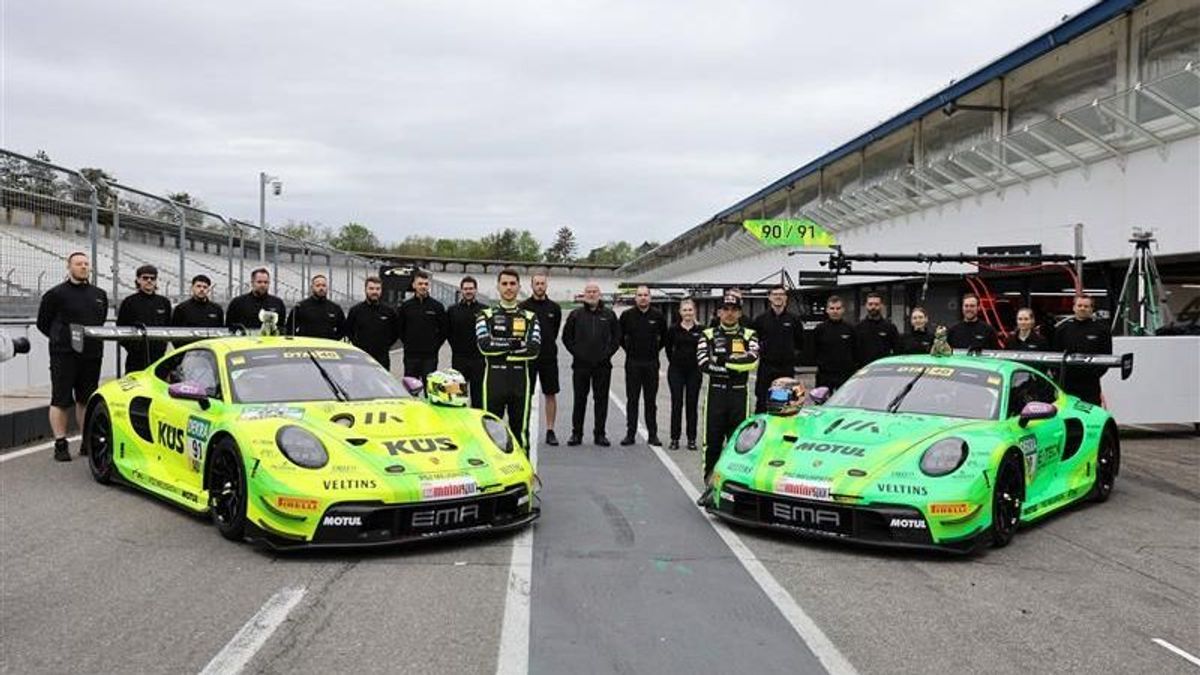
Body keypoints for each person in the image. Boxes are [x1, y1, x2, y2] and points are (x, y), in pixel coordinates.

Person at [37, 252, 108, 462]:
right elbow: (43, 323)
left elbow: (100, 320)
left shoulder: (99, 294)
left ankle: (86, 442)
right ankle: (60, 443)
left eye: (86, 264)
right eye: (79, 264)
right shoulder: (55, 294)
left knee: (86, 398)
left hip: (92, 354)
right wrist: (62, 339)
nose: (83, 267)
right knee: (60, 399)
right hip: (64, 355)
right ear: (69, 267)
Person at [476, 269, 541, 453]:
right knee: (490, 433)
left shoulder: (530, 317)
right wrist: (515, 343)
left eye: (513, 284)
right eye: (504, 284)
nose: (509, 288)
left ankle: (525, 477)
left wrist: (501, 348)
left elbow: (533, 350)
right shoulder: (485, 315)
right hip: (493, 381)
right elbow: (484, 346)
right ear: (498, 287)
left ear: (519, 287)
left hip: (520, 380)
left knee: (520, 433)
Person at [698, 294, 759, 481]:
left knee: (739, 443)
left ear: (740, 313)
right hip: (716, 394)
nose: (729, 313)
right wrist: (732, 367)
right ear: (719, 312)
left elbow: (753, 361)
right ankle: (709, 485)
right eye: (725, 309)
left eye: (734, 310)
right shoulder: (707, 334)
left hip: (740, 395)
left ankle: (735, 483)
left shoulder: (750, 334)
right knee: (712, 444)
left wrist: (724, 363)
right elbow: (703, 363)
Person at [562, 282, 621, 447]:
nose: (592, 294)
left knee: (601, 400)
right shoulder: (576, 315)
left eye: (595, 291)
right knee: (579, 399)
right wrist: (578, 353)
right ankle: (576, 434)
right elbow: (566, 338)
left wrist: (606, 354)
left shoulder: (609, 315)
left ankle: (600, 434)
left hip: (603, 366)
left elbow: (617, 338)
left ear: (600, 294)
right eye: (589, 291)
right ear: (584, 294)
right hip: (581, 365)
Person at [619, 285, 667, 446]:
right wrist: (630, 350)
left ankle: (653, 434)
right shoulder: (627, 315)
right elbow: (620, 337)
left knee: (650, 400)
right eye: (640, 295)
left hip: (651, 363)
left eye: (646, 295)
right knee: (632, 399)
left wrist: (653, 350)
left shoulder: (658, 315)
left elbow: (665, 338)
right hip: (633, 362)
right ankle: (630, 433)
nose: (643, 297)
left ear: (650, 297)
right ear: (635, 298)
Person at [520, 274, 563, 445]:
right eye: (536, 283)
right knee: (526, 394)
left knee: (550, 393)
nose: (539, 286)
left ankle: (550, 430)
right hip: (528, 357)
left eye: (542, 283)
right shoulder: (523, 307)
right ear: (531, 286)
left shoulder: (555, 308)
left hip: (548, 357)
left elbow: (554, 330)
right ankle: (524, 428)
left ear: (546, 285)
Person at [751, 285, 802, 413]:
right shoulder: (761, 320)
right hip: (766, 367)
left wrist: (791, 355)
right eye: (775, 294)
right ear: (770, 297)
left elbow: (800, 342)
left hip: (786, 368)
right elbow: (754, 341)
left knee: (786, 403)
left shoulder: (793, 320)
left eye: (781, 294)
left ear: (786, 298)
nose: (778, 297)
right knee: (762, 401)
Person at [1053, 294, 1112, 405]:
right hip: (1067, 383)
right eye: (1079, 305)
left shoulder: (1102, 330)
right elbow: (1055, 355)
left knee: (1091, 415)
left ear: (1092, 309)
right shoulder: (1062, 329)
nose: (1082, 308)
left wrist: (1094, 374)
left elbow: (1107, 357)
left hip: (1090, 384)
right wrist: (1061, 375)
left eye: (1086, 306)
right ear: (1074, 307)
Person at [116, 264, 172, 372]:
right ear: (138, 280)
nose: (149, 281)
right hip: (136, 359)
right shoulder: (129, 302)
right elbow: (120, 328)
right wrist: (134, 348)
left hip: (159, 357)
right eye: (145, 278)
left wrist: (161, 346)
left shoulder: (164, 302)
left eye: (152, 278)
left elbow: (169, 326)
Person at [665, 298, 703, 450]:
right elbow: (668, 348)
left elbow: (705, 350)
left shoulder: (701, 330)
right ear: (680, 312)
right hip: (676, 371)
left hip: (694, 371)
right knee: (676, 404)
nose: (688, 313)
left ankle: (691, 439)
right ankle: (674, 438)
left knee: (692, 405)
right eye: (685, 310)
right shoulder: (673, 329)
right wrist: (674, 361)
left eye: (690, 310)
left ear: (694, 312)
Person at [397, 270, 447, 383]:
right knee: (410, 388)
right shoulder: (406, 307)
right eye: (420, 284)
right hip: (411, 356)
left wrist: (434, 346)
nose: (423, 286)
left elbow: (444, 330)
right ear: (414, 285)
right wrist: (409, 343)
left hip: (430, 357)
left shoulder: (437, 307)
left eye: (426, 284)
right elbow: (400, 329)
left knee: (430, 389)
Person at [447, 276, 488, 408]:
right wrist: (456, 348)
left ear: (476, 290)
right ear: (461, 290)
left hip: (478, 360)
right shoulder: (452, 310)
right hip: (459, 360)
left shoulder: (485, 310)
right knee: (457, 397)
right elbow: (448, 332)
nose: (468, 291)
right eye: (466, 289)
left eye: (471, 288)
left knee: (478, 398)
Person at [345, 276, 399, 370]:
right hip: (361, 357)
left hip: (382, 358)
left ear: (381, 290)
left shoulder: (389, 312)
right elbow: (348, 330)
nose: (374, 292)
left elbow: (395, 332)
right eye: (371, 288)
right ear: (365, 290)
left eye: (377, 289)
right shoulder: (356, 311)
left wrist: (385, 345)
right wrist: (358, 344)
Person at [811, 295, 857, 389]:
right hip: (824, 376)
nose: (835, 311)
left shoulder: (850, 329)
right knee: (823, 402)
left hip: (845, 375)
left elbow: (856, 350)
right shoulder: (820, 329)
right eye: (832, 308)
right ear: (827, 310)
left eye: (838, 308)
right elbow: (812, 350)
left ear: (843, 310)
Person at [171, 274, 224, 347]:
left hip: (210, 352)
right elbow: (175, 334)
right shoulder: (181, 309)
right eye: (198, 286)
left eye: (205, 287)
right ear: (192, 288)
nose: (202, 289)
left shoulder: (216, 309)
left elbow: (221, 333)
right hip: (188, 353)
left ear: (209, 289)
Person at [286, 274, 345, 339]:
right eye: (318, 285)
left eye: (323, 285)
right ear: (312, 287)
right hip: (307, 346)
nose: (321, 288)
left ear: (327, 288)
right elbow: (290, 328)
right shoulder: (300, 307)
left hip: (328, 346)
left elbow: (343, 329)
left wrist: (334, 339)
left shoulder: (335, 308)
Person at [854, 291, 899, 365]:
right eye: (870, 304)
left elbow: (897, 351)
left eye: (876, 304)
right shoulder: (858, 328)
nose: (873, 307)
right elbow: (854, 351)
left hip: (884, 369)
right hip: (864, 370)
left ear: (881, 306)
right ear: (866, 305)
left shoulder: (890, 327)